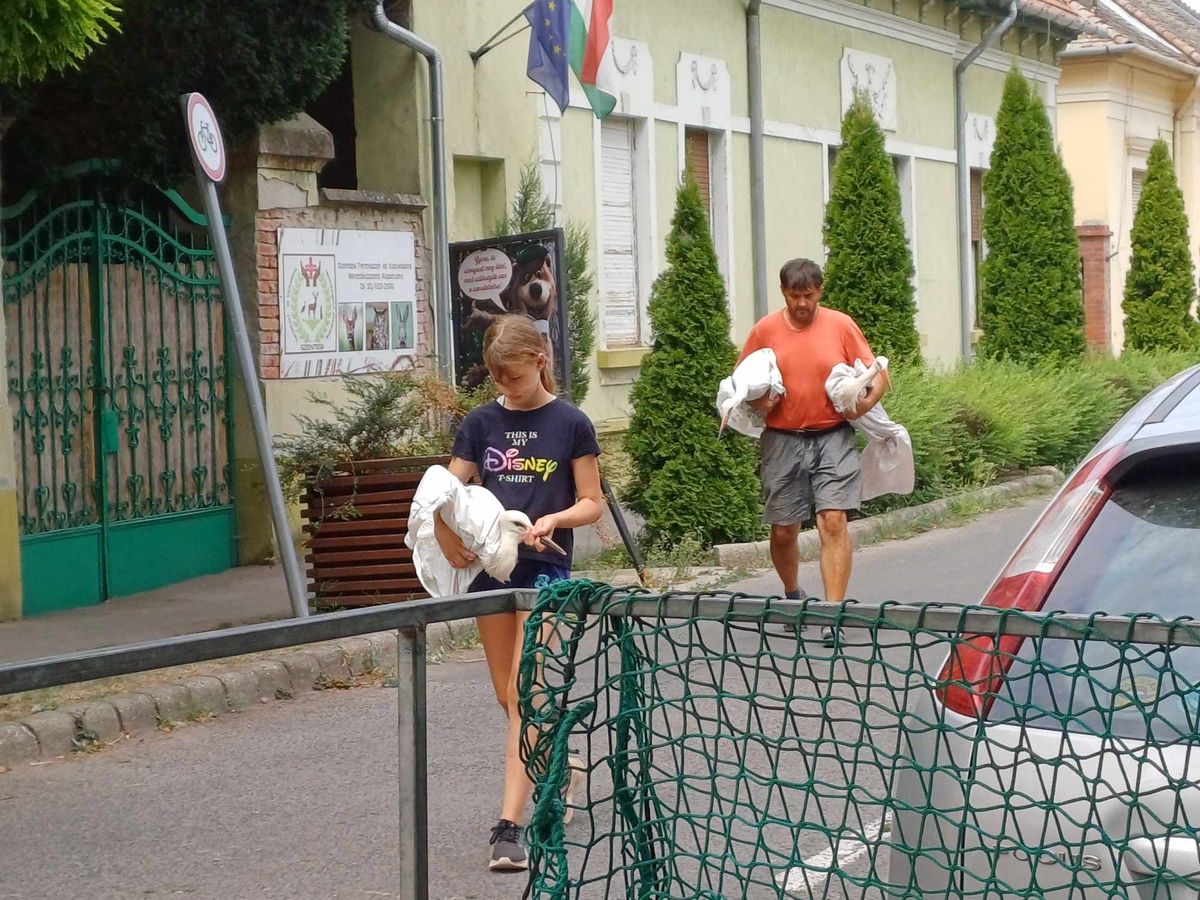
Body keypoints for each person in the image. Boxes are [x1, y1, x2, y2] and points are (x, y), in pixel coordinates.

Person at [436, 314, 604, 872]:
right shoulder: (481, 423)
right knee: (507, 699)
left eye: (515, 376)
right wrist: (442, 531)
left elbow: (592, 502)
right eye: (499, 379)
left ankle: (509, 827)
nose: (508, 388)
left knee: (524, 692)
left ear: (539, 360)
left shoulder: (571, 422)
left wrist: (556, 517)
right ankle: (562, 762)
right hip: (493, 572)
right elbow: (444, 490)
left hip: (546, 574)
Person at [738, 258, 888, 646]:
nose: (801, 303)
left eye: (808, 295)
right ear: (783, 292)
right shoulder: (765, 330)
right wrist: (760, 403)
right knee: (785, 530)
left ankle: (832, 613)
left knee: (833, 520)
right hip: (782, 439)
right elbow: (743, 386)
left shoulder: (840, 325)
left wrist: (864, 405)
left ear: (820, 291)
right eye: (793, 296)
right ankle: (792, 596)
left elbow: (878, 375)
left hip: (832, 435)